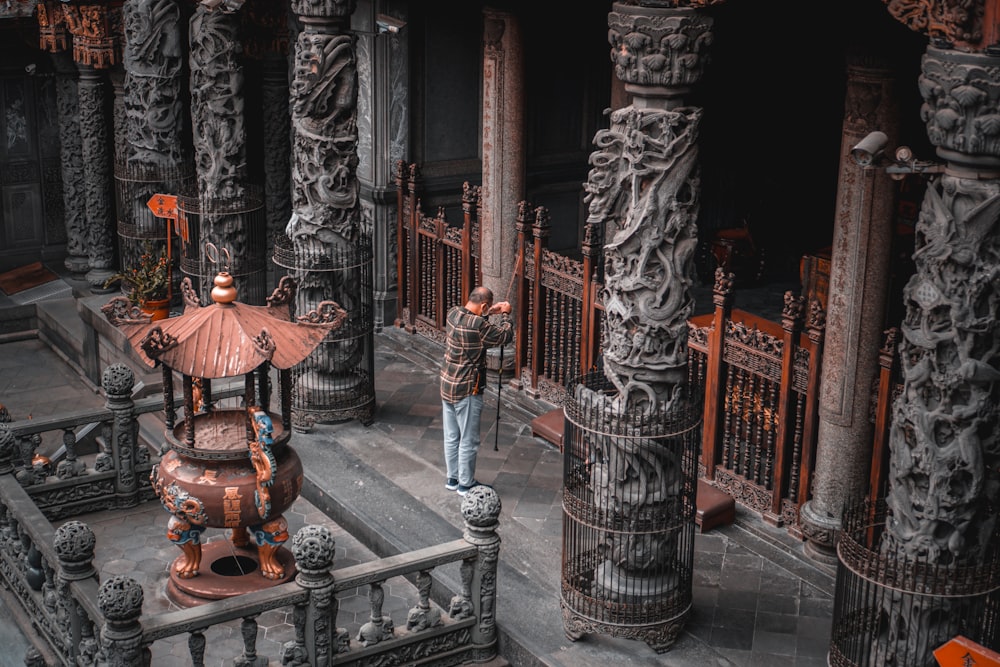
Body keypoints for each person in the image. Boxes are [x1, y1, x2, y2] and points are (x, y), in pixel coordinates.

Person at [440, 286, 513, 495]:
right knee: (468, 440)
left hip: (447, 383)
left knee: (452, 435)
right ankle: (465, 483)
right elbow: (504, 336)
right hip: (467, 388)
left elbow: (474, 318)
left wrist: (491, 311)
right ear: (483, 305)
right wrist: (506, 313)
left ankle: (452, 478)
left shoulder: (453, 313)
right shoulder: (479, 326)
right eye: (486, 308)